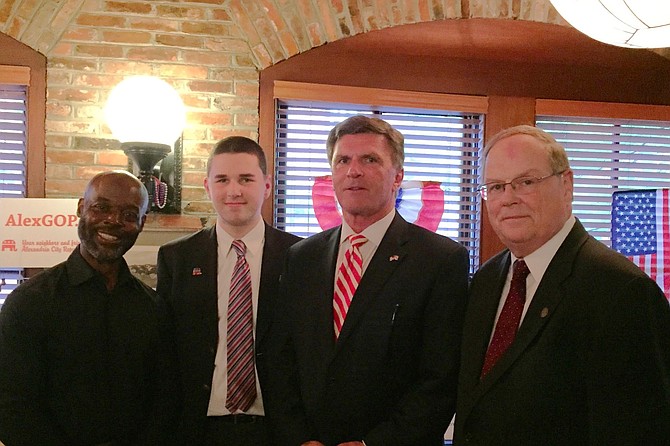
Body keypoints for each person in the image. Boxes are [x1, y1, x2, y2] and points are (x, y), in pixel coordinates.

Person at [454, 125, 670, 445]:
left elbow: (639, 430)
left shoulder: (622, 291)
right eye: (496, 186)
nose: (508, 199)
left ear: (566, 184)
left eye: (526, 182)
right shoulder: (486, 279)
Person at [269, 115, 469, 446]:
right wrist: (300, 438)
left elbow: (440, 378)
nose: (354, 170)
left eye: (370, 159)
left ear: (398, 177)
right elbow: (280, 361)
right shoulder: (301, 257)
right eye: (343, 160)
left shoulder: (440, 260)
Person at [0, 170, 179, 445]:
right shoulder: (29, 303)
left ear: (141, 224)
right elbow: (12, 407)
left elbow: (164, 402)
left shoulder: (153, 308)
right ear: (81, 208)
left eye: (129, 214)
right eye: (101, 208)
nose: (113, 221)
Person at [156, 136, 300, 446]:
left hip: (278, 429)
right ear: (208, 187)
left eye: (246, 179)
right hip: (197, 429)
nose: (234, 190)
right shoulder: (176, 258)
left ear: (266, 186)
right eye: (222, 180)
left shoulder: (301, 256)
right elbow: (164, 354)